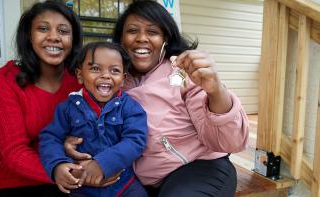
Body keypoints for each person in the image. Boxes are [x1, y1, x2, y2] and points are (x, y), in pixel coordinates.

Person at [65, 1, 249, 197]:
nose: (141, 38)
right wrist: (74, 145)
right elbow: (94, 120)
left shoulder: (184, 73)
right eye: (132, 30)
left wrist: (216, 92)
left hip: (197, 168)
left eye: (152, 32)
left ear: (165, 40)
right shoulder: (112, 80)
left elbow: (231, 142)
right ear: (120, 40)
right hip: (139, 178)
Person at [0, 1, 83, 196]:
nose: (54, 37)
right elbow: (14, 152)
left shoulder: (81, 80)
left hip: (76, 176)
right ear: (29, 36)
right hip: (20, 182)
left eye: (63, 31)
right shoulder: (5, 80)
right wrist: (57, 169)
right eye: (43, 28)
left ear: (73, 39)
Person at [39, 42, 148, 197]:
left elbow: (135, 140)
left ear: (123, 79)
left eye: (114, 70)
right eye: (95, 68)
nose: (105, 75)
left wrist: (102, 163)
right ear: (80, 75)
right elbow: (50, 138)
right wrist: (58, 165)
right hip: (81, 187)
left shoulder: (130, 107)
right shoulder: (67, 108)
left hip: (123, 184)